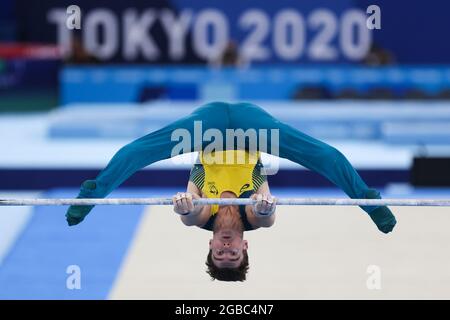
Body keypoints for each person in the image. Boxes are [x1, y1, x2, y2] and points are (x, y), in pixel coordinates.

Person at [65, 101, 397, 281]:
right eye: (233, 254)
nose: (226, 249)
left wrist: (184, 207)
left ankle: (91, 194)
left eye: (219, 254)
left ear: (210, 245)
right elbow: (263, 214)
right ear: (244, 245)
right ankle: (369, 201)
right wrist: (265, 207)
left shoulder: (201, 217)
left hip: (205, 128)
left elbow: (190, 211)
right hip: (252, 130)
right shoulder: (255, 220)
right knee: (323, 156)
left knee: (140, 151)